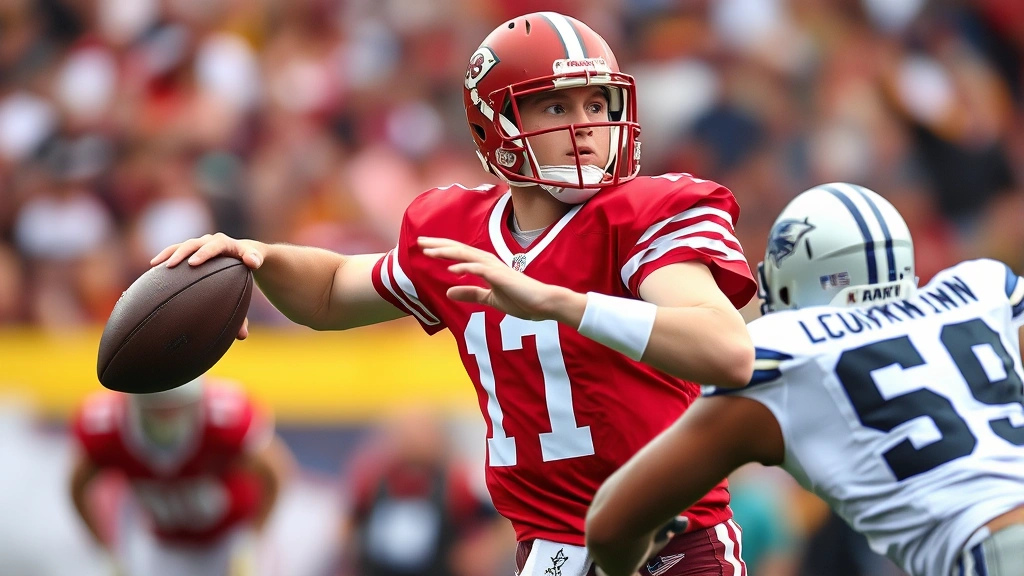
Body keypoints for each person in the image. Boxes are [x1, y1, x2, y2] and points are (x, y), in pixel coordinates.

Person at [153, 12, 758, 574]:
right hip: (551, 551)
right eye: (553, 107)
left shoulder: (643, 214)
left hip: (670, 544)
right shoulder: (456, 231)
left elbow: (726, 349)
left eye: (597, 102)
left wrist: (557, 302)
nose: (587, 128)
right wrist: (256, 258)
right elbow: (333, 292)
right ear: (495, 123)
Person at [585, 182, 1024, 576]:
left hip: (994, 548)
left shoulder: (786, 348)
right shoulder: (982, 289)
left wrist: (624, 559)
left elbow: (608, 526)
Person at [70, 376, 294, 576]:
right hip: (163, 542)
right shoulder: (106, 428)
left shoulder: (223, 420)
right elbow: (77, 485)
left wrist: (251, 541)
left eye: (175, 406)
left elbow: (273, 472)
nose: (166, 414)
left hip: (229, 536)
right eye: (157, 407)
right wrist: (106, 548)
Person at [338, 407, 511, 576]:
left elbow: (505, 521)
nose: (415, 440)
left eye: (422, 432)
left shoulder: (457, 482)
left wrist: (484, 552)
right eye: (408, 432)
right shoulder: (373, 479)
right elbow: (349, 521)